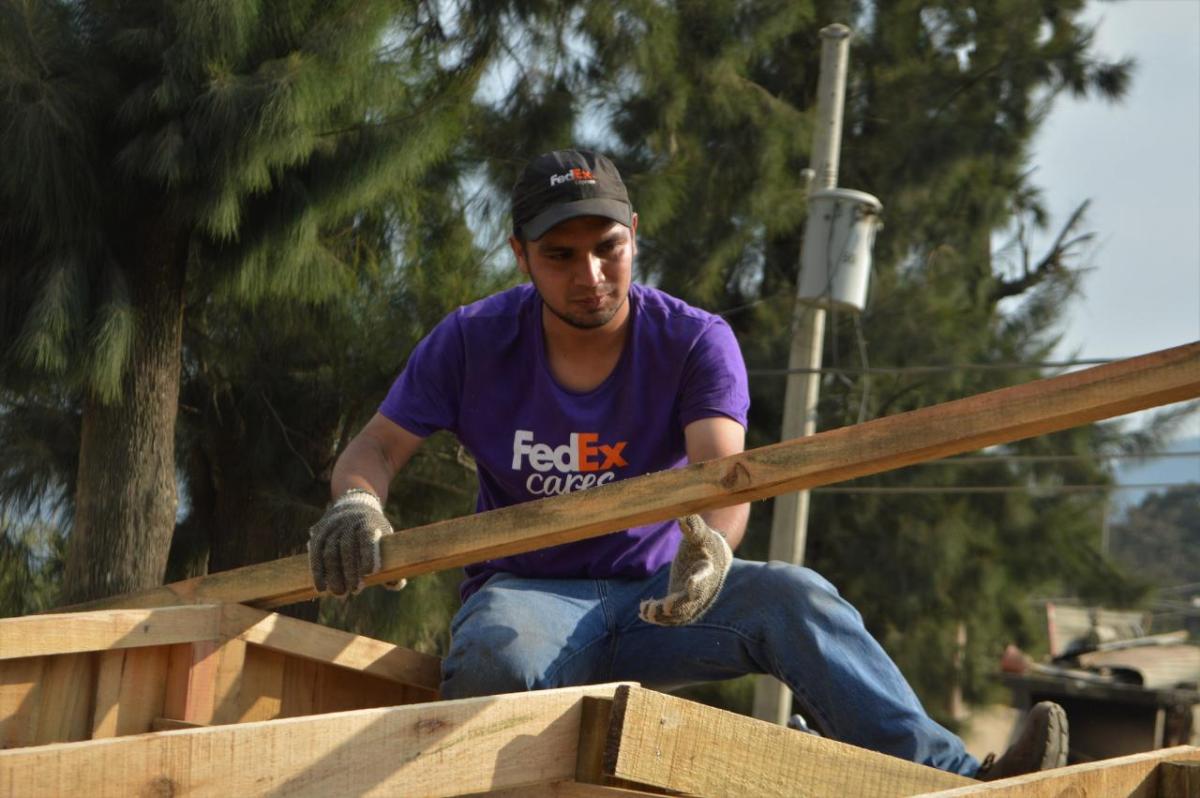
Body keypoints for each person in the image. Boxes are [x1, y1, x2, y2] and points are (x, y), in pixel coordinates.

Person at [306, 149, 1067, 780]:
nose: (592, 275)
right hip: (529, 598)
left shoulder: (694, 341)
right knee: (495, 661)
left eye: (610, 248)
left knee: (797, 598)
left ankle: (960, 782)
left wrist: (712, 548)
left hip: (663, 599)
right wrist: (358, 504)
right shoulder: (471, 341)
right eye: (561, 256)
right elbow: (375, 448)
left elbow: (722, 473)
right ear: (519, 257)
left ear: (635, 234)